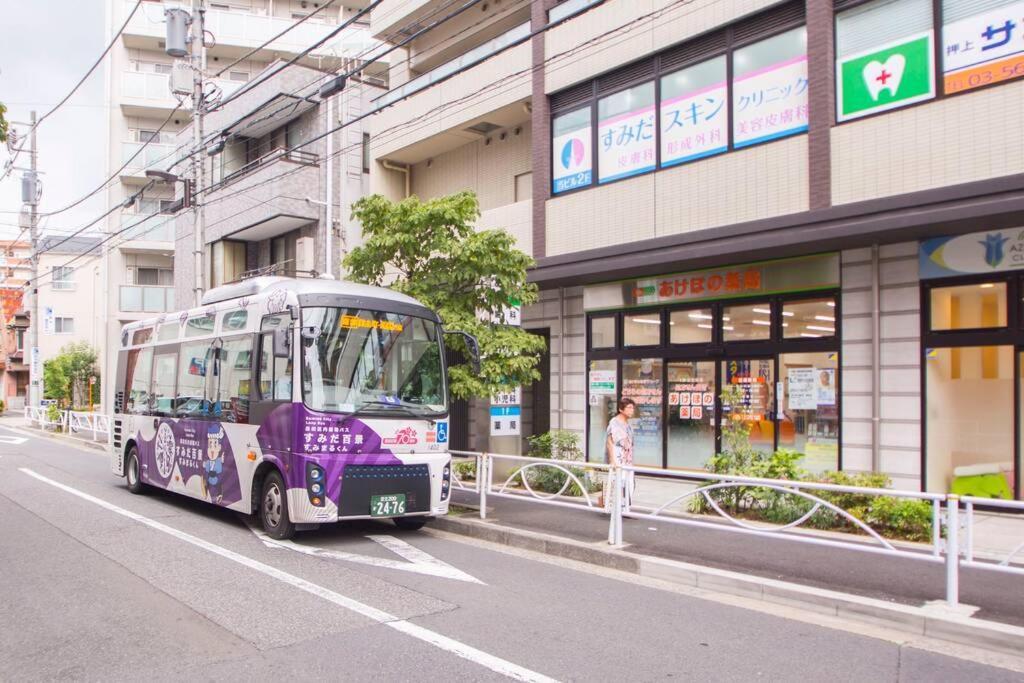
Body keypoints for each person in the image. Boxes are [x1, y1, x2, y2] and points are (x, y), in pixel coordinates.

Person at [605, 397, 636, 510]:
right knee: (619, 481)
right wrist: (612, 460)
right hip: (618, 456)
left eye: (633, 408)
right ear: (621, 409)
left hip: (627, 458)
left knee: (629, 483)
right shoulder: (614, 422)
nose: (632, 410)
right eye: (629, 407)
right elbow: (609, 442)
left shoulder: (628, 425)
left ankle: (625, 508)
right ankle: (616, 509)